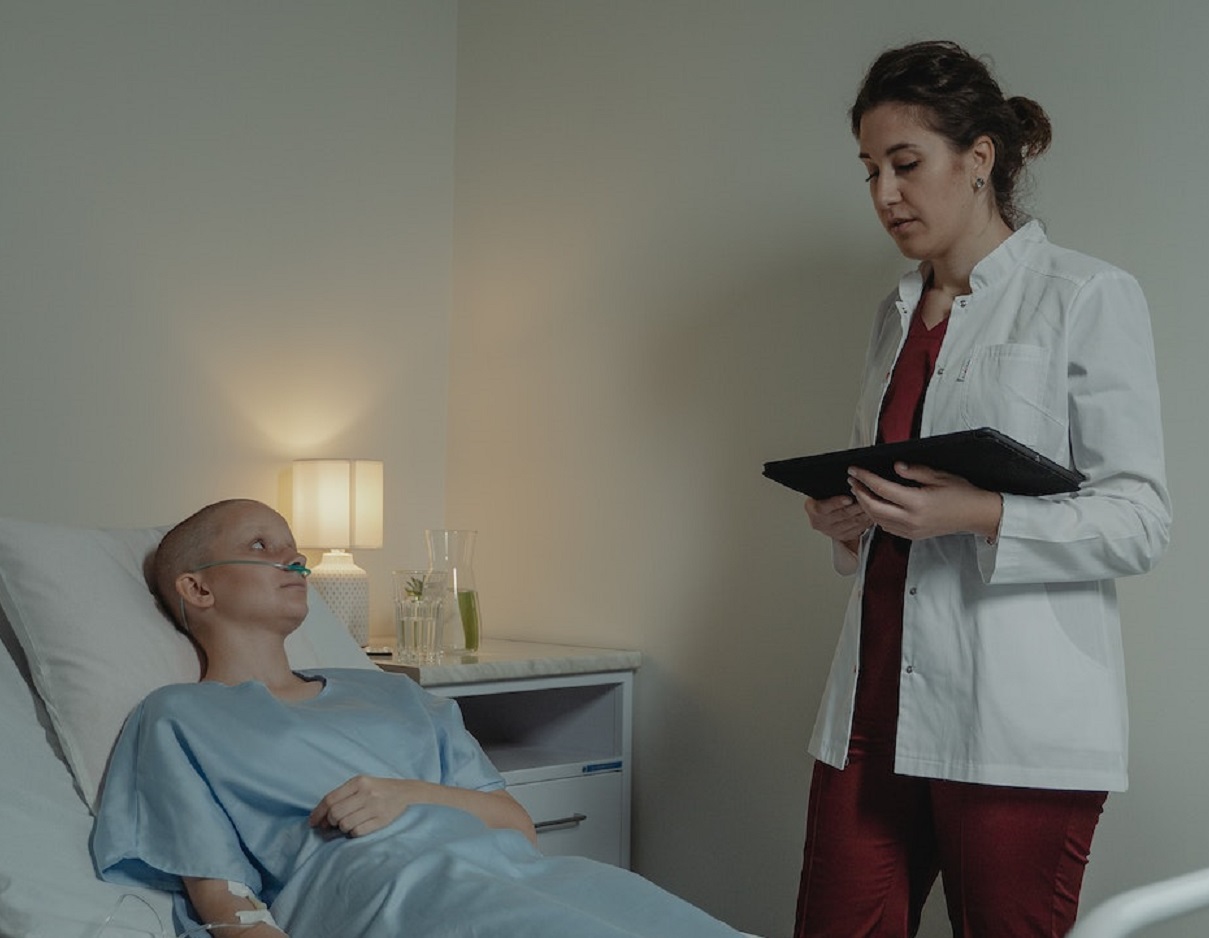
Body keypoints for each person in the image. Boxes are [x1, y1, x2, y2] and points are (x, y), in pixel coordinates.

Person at [793, 40, 1170, 938]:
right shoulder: (892, 317)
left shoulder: (1083, 295)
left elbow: (1139, 520)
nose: (884, 193)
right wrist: (847, 520)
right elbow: (895, 494)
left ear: (979, 158)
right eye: (870, 170)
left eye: (905, 164)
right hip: (871, 706)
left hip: (1014, 722)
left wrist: (979, 513)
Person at [92, 498, 744, 938]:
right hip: (387, 899)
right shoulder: (180, 717)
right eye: (262, 545)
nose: (294, 560)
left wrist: (407, 795)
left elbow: (517, 825)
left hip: (530, 879)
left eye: (295, 549)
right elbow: (222, 897)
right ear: (198, 587)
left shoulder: (392, 694)